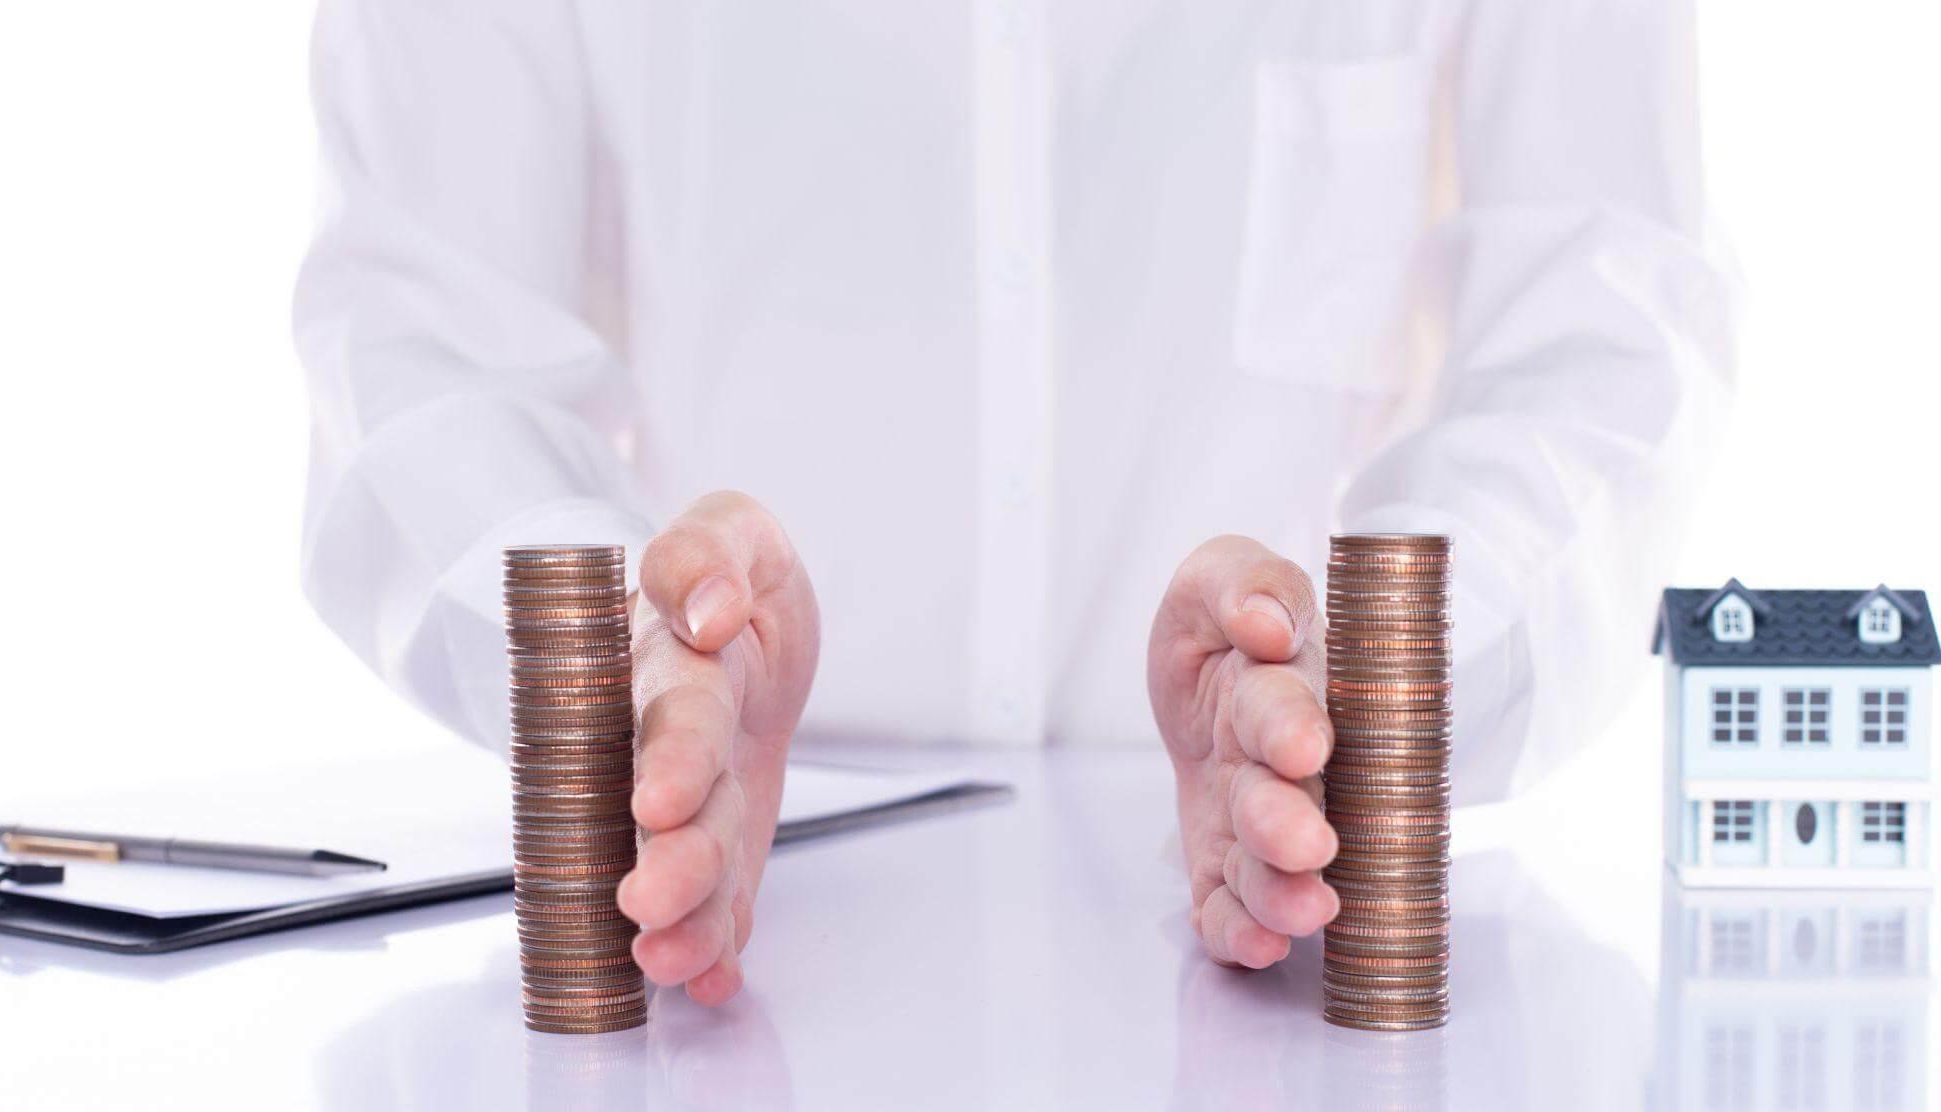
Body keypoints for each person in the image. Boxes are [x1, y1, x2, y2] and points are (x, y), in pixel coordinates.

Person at [295, 1, 1732, 1005]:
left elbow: (1608, 312)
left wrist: (1360, 696)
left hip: (1275, 957)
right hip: (735, 943)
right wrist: (628, 670)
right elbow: (421, 319)